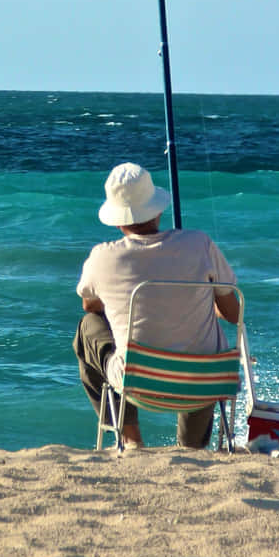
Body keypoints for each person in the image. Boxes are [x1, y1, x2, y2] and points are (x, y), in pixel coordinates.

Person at [74, 160, 240, 449]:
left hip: (138, 383)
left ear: (117, 220)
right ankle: (192, 447)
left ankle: (131, 438)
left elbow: (90, 306)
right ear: (158, 210)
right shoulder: (199, 243)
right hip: (206, 382)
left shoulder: (102, 256)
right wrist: (199, 301)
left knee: (88, 327)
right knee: (200, 344)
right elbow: (234, 314)